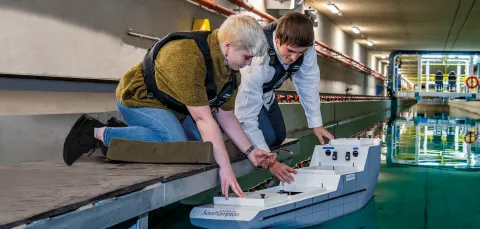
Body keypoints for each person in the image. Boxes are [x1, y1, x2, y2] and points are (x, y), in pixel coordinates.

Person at [63, 14, 275, 199]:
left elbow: (226, 117)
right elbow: (203, 119)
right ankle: (96, 132)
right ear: (228, 46)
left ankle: (125, 132)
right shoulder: (187, 56)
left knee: (204, 146)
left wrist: (250, 151)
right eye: (247, 57)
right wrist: (226, 169)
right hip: (140, 99)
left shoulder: (229, 71)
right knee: (175, 144)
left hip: (175, 108)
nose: (248, 64)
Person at [234, 12, 335, 184]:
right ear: (278, 40)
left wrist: (316, 123)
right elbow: (246, 116)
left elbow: (307, 84)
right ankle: (229, 134)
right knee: (267, 136)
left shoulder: (306, 48)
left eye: (299, 53)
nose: (294, 58)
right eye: (290, 51)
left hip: (267, 95)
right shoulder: (258, 56)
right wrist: (271, 163)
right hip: (243, 96)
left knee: (279, 136)